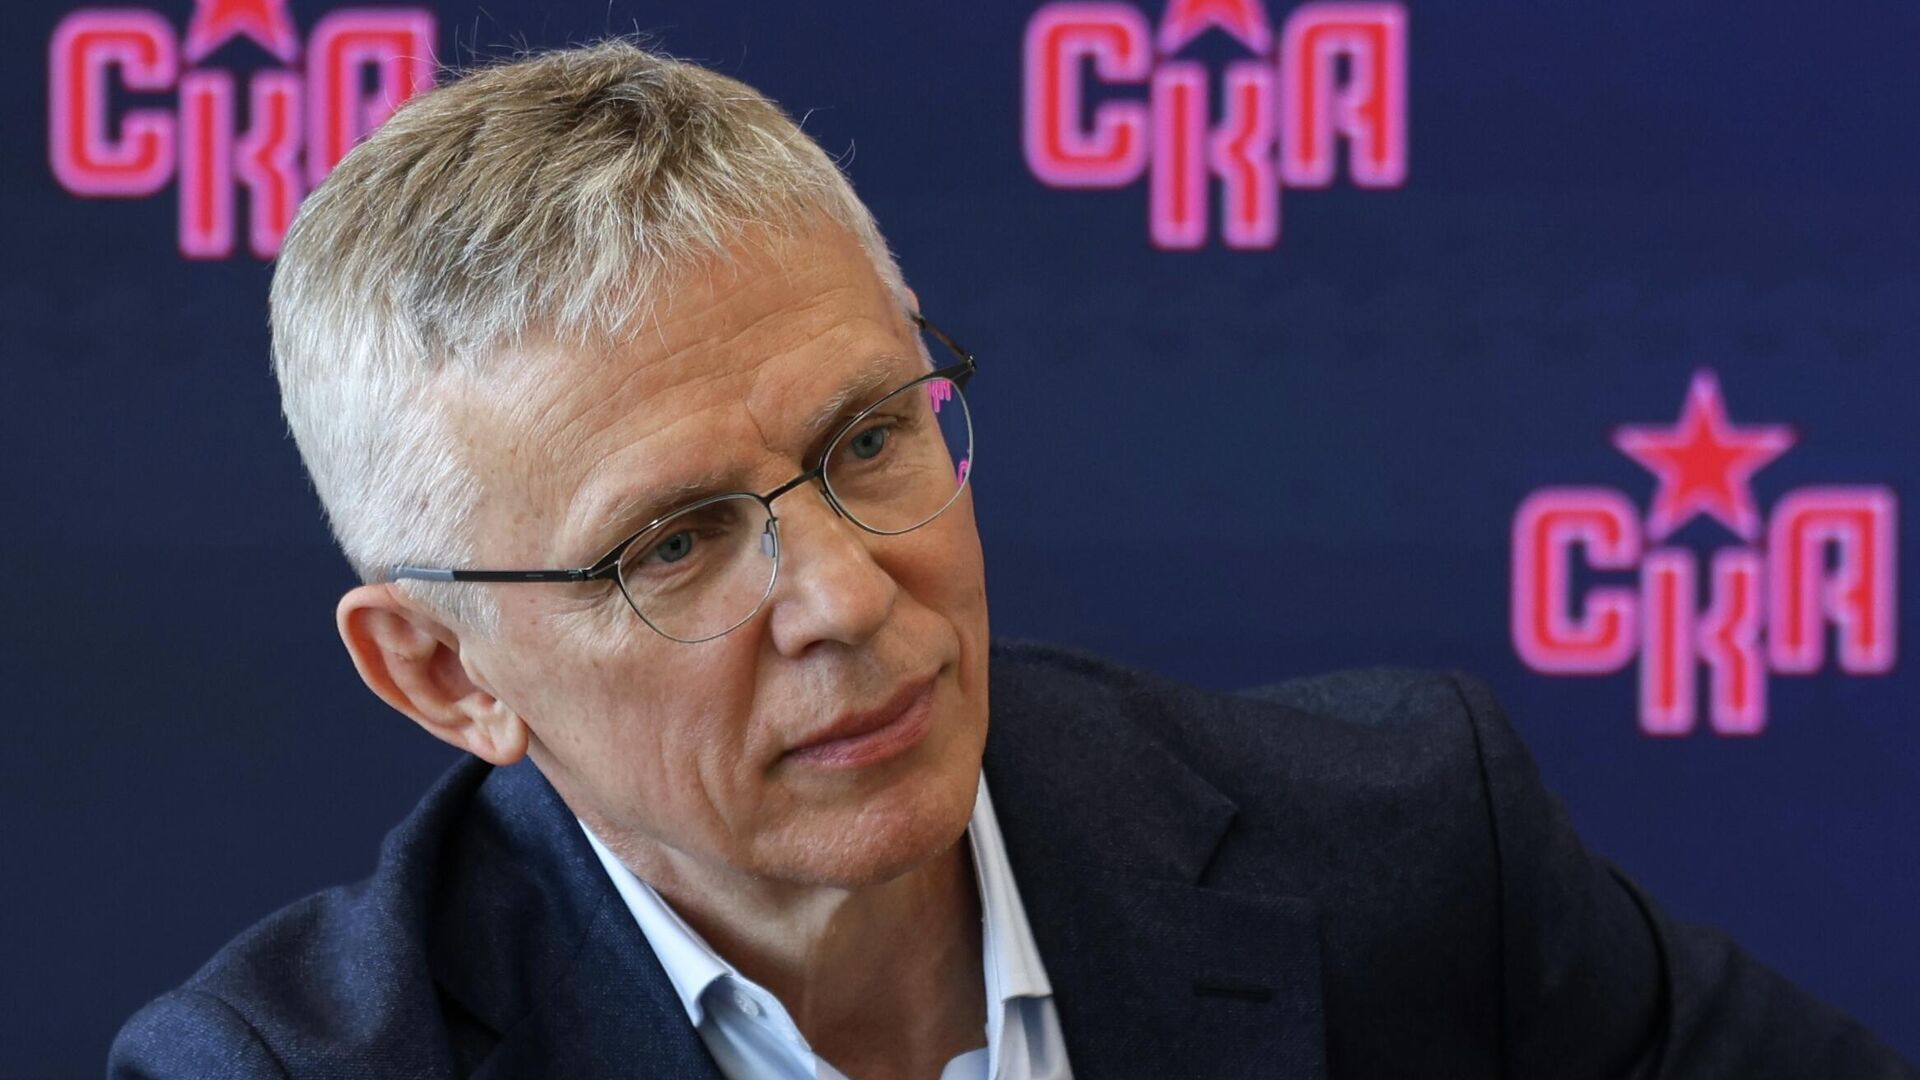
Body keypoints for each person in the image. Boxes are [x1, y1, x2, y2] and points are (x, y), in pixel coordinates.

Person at [110, 40, 1913, 1080]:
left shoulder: (1406, 847)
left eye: (867, 443)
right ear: (445, 672)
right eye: (675, 543)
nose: (842, 599)